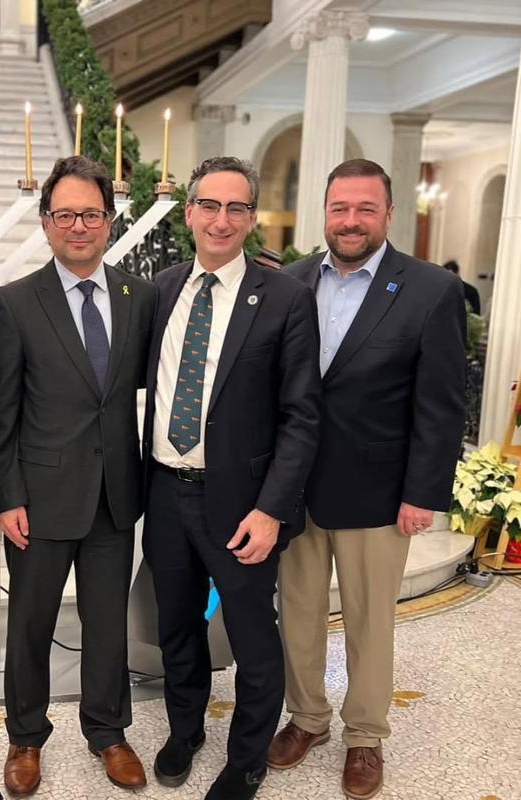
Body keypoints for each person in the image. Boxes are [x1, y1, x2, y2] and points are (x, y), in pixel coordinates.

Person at [268, 159, 466, 800]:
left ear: (388, 214)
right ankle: (307, 718)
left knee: (369, 621)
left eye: (364, 209)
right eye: (339, 208)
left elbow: (441, 405)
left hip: (378, 492)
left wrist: (422, 494)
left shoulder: (431, 290)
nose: (350, 220)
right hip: (294, 490)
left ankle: (365, 735)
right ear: (324, 212)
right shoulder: (291, 281)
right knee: (298, 613)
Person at [142, 156, 322, 800]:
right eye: (209, 206)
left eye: (236, 208)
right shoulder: (160, 290)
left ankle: (247, 757)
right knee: (176, 625)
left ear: (251, 218)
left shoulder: (285, 298)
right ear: (189, 212)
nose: (221, 220)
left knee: (251, 636)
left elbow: (302, 416)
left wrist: (272, 509)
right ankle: (185, 728)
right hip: (165, 491)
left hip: (245, 504)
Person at [0, 155, 157, 796]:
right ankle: (25, 737)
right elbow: (0, 412)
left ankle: (108, 731)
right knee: (30, 623)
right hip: (40, 495)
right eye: (65, 215)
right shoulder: (14, 303)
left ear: (110, 221)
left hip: (115, 495)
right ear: (46, 222)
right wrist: (7, 495)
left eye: (91, 214)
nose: (78, 226)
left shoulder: (141, 297)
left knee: (107, 622)